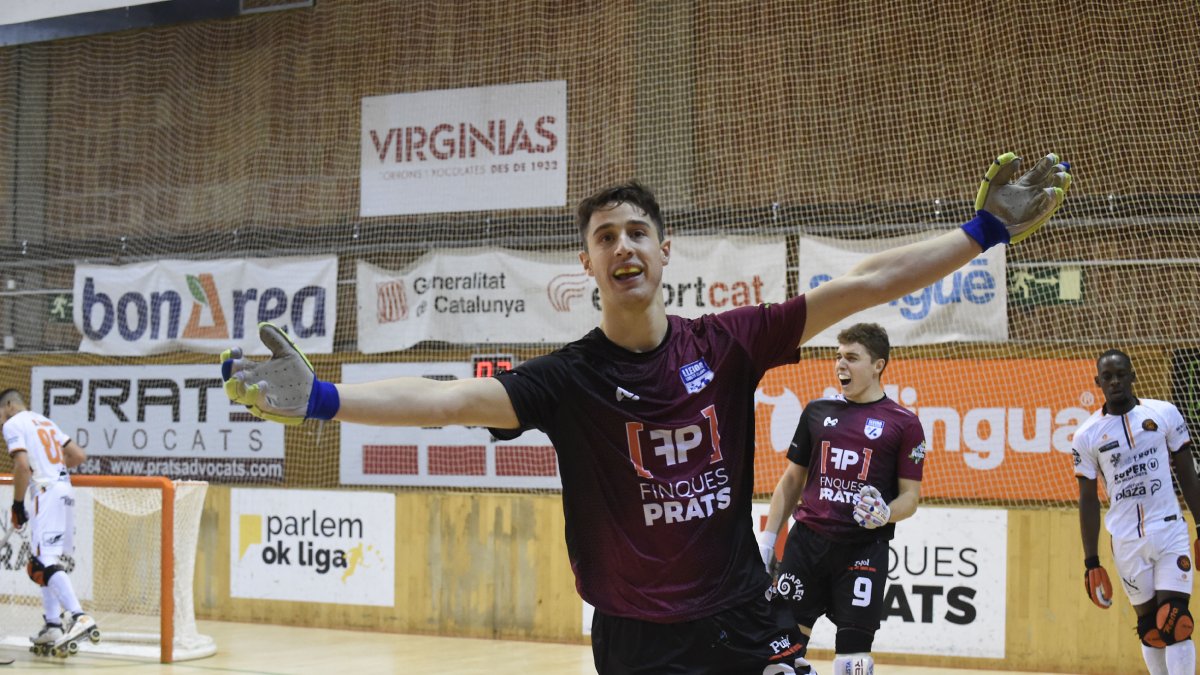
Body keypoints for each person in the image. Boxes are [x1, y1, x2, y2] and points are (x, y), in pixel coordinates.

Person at [222, 152, 1069, 674]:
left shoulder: (728, 343)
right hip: (634, 638)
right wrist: (325, 399)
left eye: (637, 231)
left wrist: (983, 229)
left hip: (739, 614)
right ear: (585, 262)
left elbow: (865, 284)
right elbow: (444, 401)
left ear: (666, 251)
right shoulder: (567, 380)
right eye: (605, 236)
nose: (623, 245)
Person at [757, 323, 924, 674]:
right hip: (807, 547)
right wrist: (769, 539)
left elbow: (910, 498)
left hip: (863, 550)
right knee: (781, 656)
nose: (840, 365)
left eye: (851, 357)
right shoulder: (817, 412)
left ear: (878, 365)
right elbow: (791, 482)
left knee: (853, 660)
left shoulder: (904, 423)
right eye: (838, 357)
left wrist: (885, 513)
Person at [1073, 350, 1200, 675]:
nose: (1115, 382)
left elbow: (1188, 472)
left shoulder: (1164, 413)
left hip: (1170, 530)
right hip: (1126, 541)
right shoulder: (1086, 435)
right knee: (1150, 629)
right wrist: (1091, 562)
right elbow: (1087, 500)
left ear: (1133, 375)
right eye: (1107, 377)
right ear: (1098, 382)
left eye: (1120, 374)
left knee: (1175, 620)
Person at [0, 388, 99, 656]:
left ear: (9, 405)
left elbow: (21, 466)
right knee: (41, 563)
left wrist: (18, 505)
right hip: (65, 492)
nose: (0, 420)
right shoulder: (46, 421)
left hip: (46, 494)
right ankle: (53, 625)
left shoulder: (12, 424)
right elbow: (78, 456)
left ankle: (79, 616)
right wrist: (53, 469)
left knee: (44, 561)